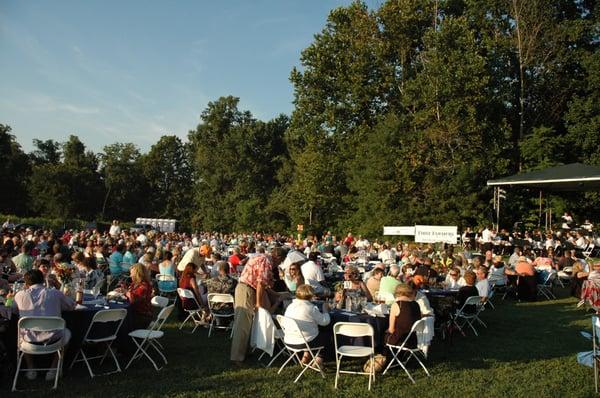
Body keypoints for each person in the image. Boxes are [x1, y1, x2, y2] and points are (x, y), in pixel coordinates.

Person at [12, 269, 75, 381]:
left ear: (26, 283)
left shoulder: (19, 295)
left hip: (28, 341)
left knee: (20, 333)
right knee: (67, 333)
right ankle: (53, 368)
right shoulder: (55, 293)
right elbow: (71, 306)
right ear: (43, 280)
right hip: (54, 340)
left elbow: (14, 311)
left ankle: (31, 369)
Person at [231, 254, 273, 364]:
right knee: (242, 325)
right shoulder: (265, 261)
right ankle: (237, 357)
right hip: (246, 289)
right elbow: (260, 283)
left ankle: (245, 352)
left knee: (247, 324)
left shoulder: (260, 257)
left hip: (246, 288)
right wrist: (259, 303)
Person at [283, 284, 330, 367]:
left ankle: (306, 356)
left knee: (309, 332)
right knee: (327, 335)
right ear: (310, 296)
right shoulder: (311, 308)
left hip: (289, 341)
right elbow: (325, 321)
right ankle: (319, 359)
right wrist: (325, 309)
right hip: (305, 342)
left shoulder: (290, 306)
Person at [386, 284, 422, 349]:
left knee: (382, 334)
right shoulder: (416, 304)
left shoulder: (397, 305)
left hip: (400, 339)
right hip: (413, 340)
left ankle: (385, 355)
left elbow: (391, 329)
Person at [125, 263, 153, 329]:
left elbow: (133, 299)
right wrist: (123, 290)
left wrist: (126, 292)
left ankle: (125, 337)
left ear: (137, 274)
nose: (130, 275)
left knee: (121, 319)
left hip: (142, 316)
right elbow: (130, 293)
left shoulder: (144, 286)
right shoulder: (135, 284)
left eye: (131, 273)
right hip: (135, 312)